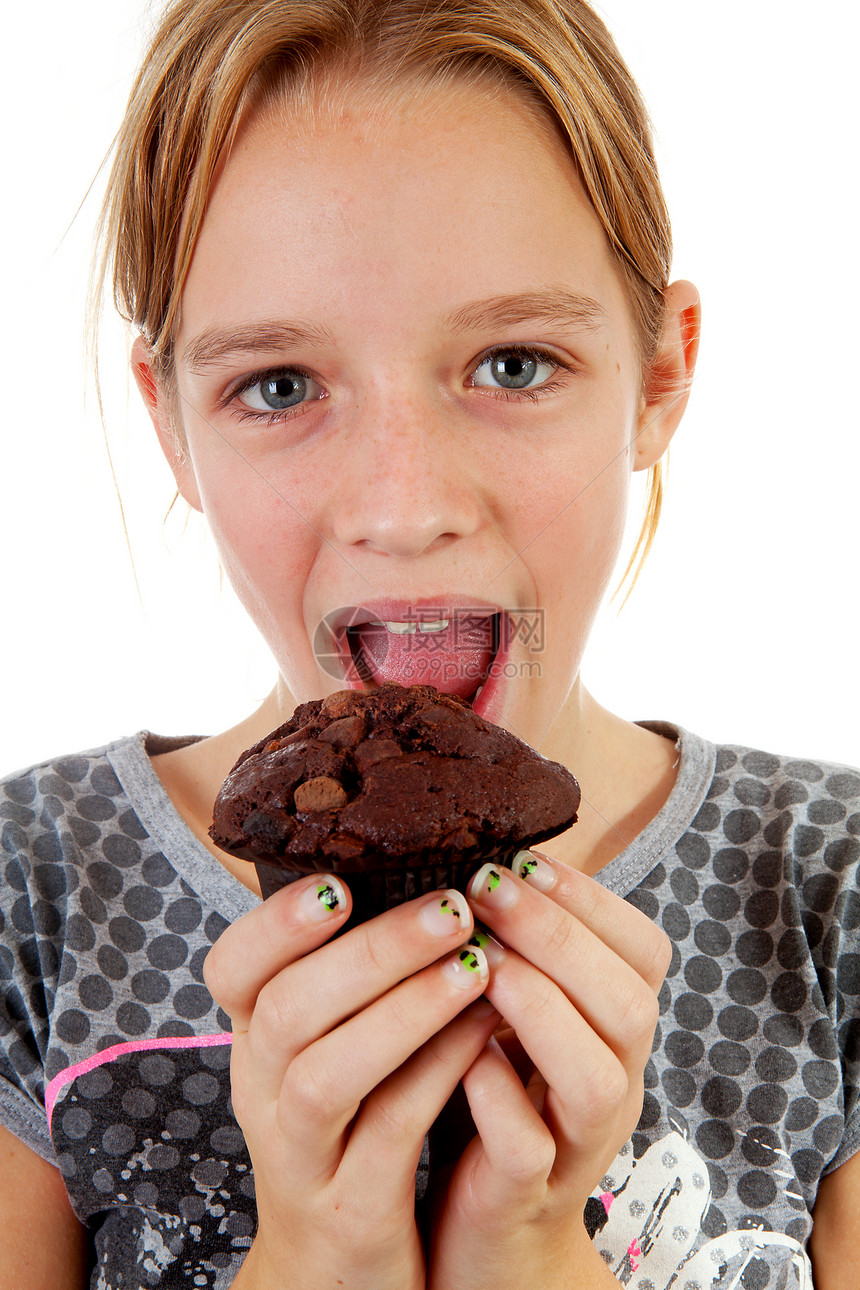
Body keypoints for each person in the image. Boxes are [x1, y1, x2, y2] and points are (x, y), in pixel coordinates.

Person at [0, 1, 857, 1286]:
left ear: (660, 375)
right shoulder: (35, 903)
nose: (404, 509)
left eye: (513, 364)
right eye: (278, 386)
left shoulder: (828, 898)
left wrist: (526, 1254)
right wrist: (319, 1256)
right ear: (169, 423)